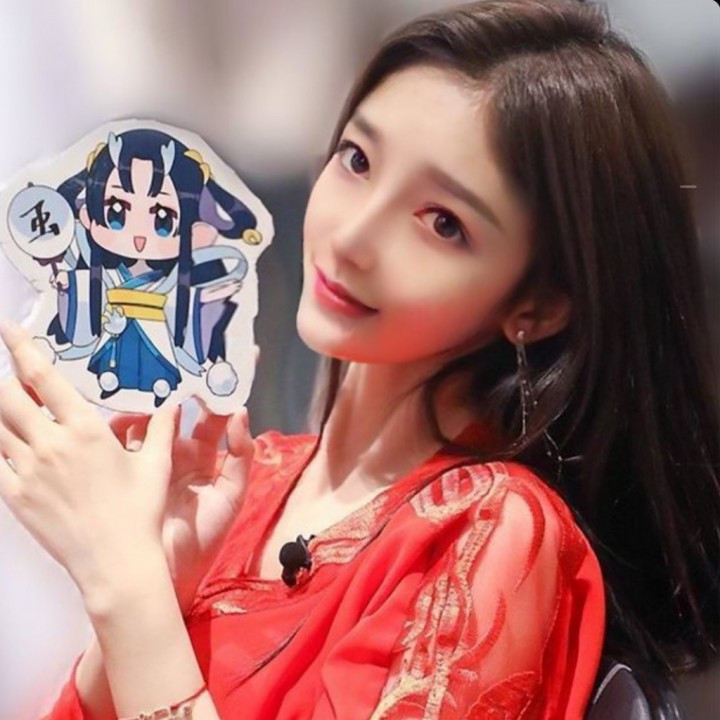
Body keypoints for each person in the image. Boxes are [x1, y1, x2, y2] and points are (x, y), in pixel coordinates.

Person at [0, 1, 716, 718]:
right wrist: (157, 588)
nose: (352, 237)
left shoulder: (492, 529)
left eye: (443, 223)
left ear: (539, 304)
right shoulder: (241, 481)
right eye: (358, 160)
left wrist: (126, 584)